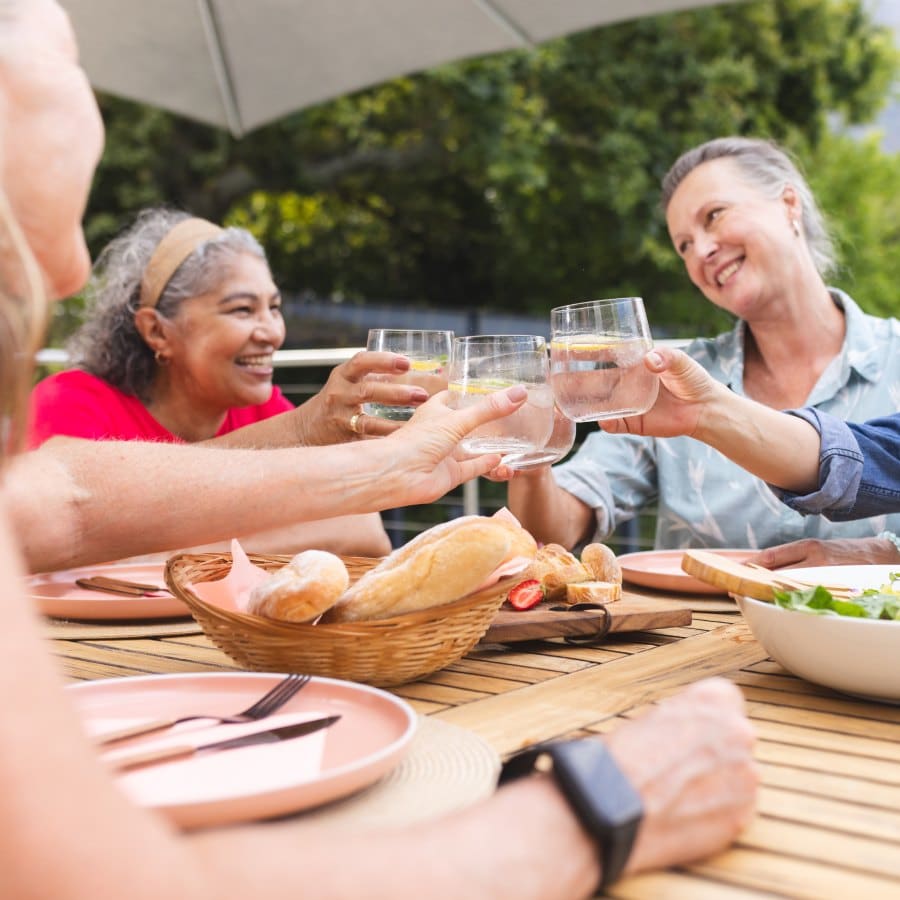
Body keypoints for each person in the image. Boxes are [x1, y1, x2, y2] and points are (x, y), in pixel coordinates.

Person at [0, 2, 757, 895]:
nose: (68, 277)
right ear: (152, 331)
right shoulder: (72, 398)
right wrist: (596, 812)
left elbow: (61, 497)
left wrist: (383, 463)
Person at [508, 136, 900, 555]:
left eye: (714, 216)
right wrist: (531, 459)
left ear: (789, 205)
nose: (702, 252)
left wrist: (882, 557)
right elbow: (556, 532)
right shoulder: (668, 377)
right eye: (684, 246)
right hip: (693, 625)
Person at [28, 207, 393, 557]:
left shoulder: (263, 410)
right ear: (156, 331)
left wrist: (151, 552)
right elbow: (47, 551)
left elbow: (362, 528)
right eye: (242, 310)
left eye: (275, 307)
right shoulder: (68, 404)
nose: (272, 332)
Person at [600, 344, 900, 561]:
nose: (703, 252)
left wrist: (888, 556)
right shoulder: (676, 372)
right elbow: (861, 458)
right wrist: (703, 412)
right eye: (684, 251)